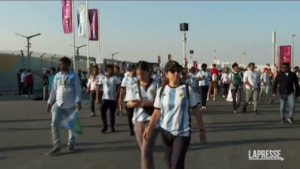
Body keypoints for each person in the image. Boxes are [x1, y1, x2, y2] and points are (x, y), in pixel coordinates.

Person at [144, 60, 206, 169]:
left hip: (182, 132)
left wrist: (202, 130)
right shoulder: (161, 91)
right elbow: (157, 111)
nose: (176, 73)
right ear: (166, 73)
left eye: (178, 71)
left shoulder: (187, 90)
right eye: (173, 71)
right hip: (166, 131)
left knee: (176, 163)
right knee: (170, 161)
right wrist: (149, 128)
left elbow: (196, 111)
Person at [126, 61, 160, 169]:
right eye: (138, 74)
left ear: (148, 72)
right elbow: (128, 103)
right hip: (138, 120)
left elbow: (162, 103)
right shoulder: (133, 86)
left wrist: (148, 103)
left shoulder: (156, 85)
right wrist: (133, 103)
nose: (140, 77)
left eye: (143, 74)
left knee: (145, 151)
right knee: (145, 151)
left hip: (152, 120)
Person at [46, 57, 82, 155]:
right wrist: (49, 102)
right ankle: (56, 144)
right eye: (59, 64)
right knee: (54, 124)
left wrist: (78, 101)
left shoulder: (73, 76)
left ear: (67, 64)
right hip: (58, 104)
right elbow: (53, 90)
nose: (60, 65)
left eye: (62, 63)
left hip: (70, 104)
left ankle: (71, 144)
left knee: (71, 125)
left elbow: (78, 90)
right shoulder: (57, 76)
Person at [96, 64, 121, 133]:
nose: (113, 71)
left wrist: (117, 93)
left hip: (112, 99)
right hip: (104, 98)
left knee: (112, 113)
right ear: (107, 71)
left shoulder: (115, 78)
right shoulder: (102, 78)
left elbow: (119, 86)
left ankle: (112, 127)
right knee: (103, 112)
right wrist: (97, 98)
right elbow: (98, 87)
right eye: (111, 70)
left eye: (113, 70)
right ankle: (105, 126)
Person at [119, 64, 138, 135]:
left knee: (136, 115)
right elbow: (122, 89)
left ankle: (136, 128)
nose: (135, 71)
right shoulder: (125, 79)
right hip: (128, 100)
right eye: (133, 69)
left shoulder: (138, 78)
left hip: (136, 100)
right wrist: (120, 98)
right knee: (130, 115)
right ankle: (131, 129)